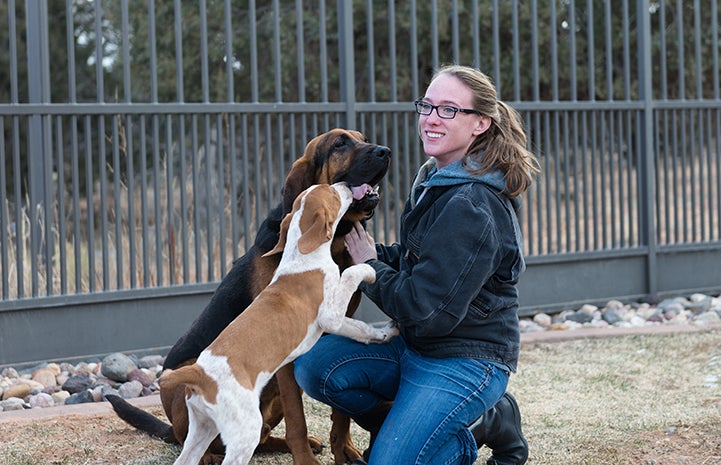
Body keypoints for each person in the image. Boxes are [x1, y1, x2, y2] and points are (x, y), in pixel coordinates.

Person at [294, 64, 540, 465]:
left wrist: (371, 268)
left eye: (448, 110)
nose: (430, 118)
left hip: (466, 359)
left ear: (479, 123)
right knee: (314, 366)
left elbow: (428, 311)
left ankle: (484, 423)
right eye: (427, 105)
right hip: (415, 348)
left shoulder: (472, 206)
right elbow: (420, 260)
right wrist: (369, 256)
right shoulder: (437, 179)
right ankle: (409, 424)